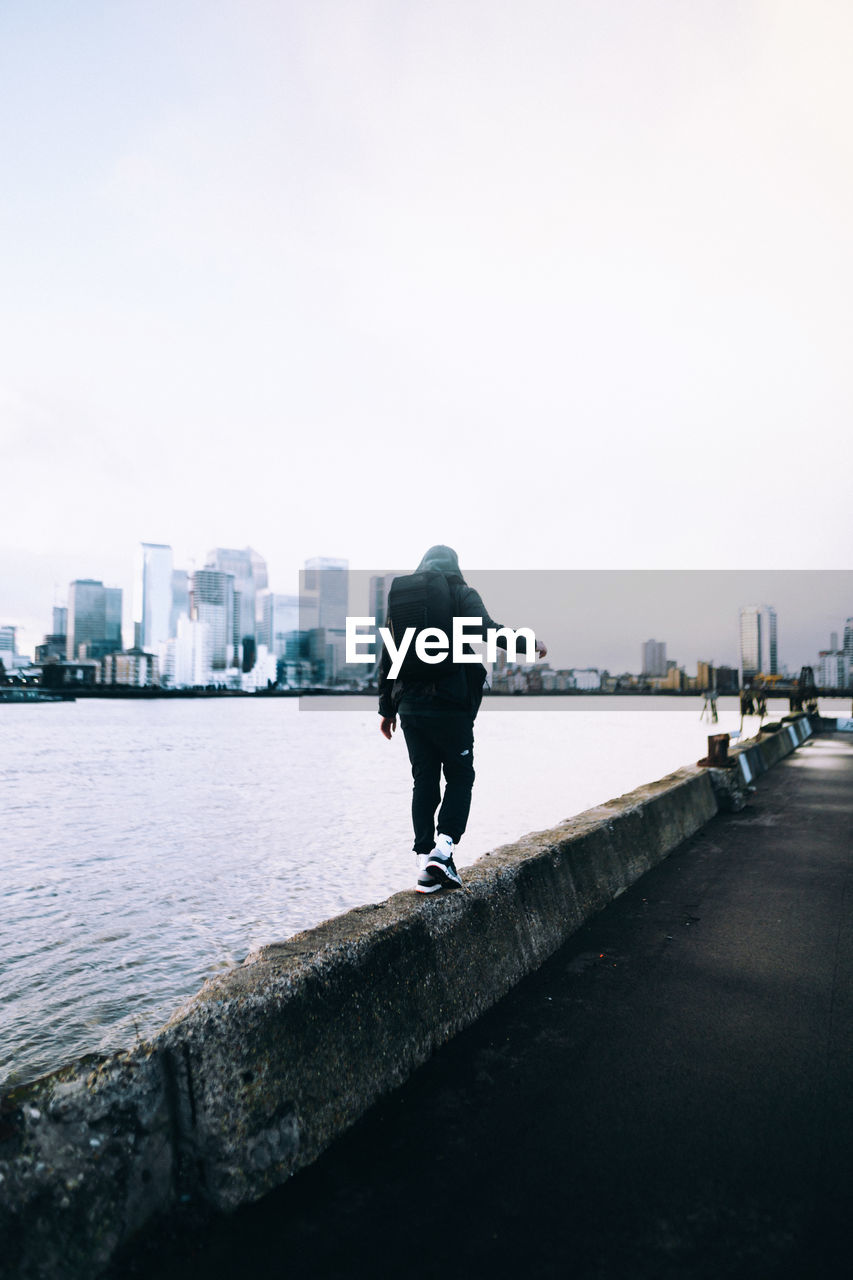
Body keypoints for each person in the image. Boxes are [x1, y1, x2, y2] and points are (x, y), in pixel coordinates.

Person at [378, 545, 546, 894]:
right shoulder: (461, 593)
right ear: (455, 566)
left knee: (423, 778)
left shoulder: (404, 604)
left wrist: (386, 710)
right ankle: (444, 850)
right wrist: (527, 645)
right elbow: (487, 629)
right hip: (451, 704)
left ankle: (424, 860)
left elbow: (388, 656)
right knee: (459, 775)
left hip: (409, 705)